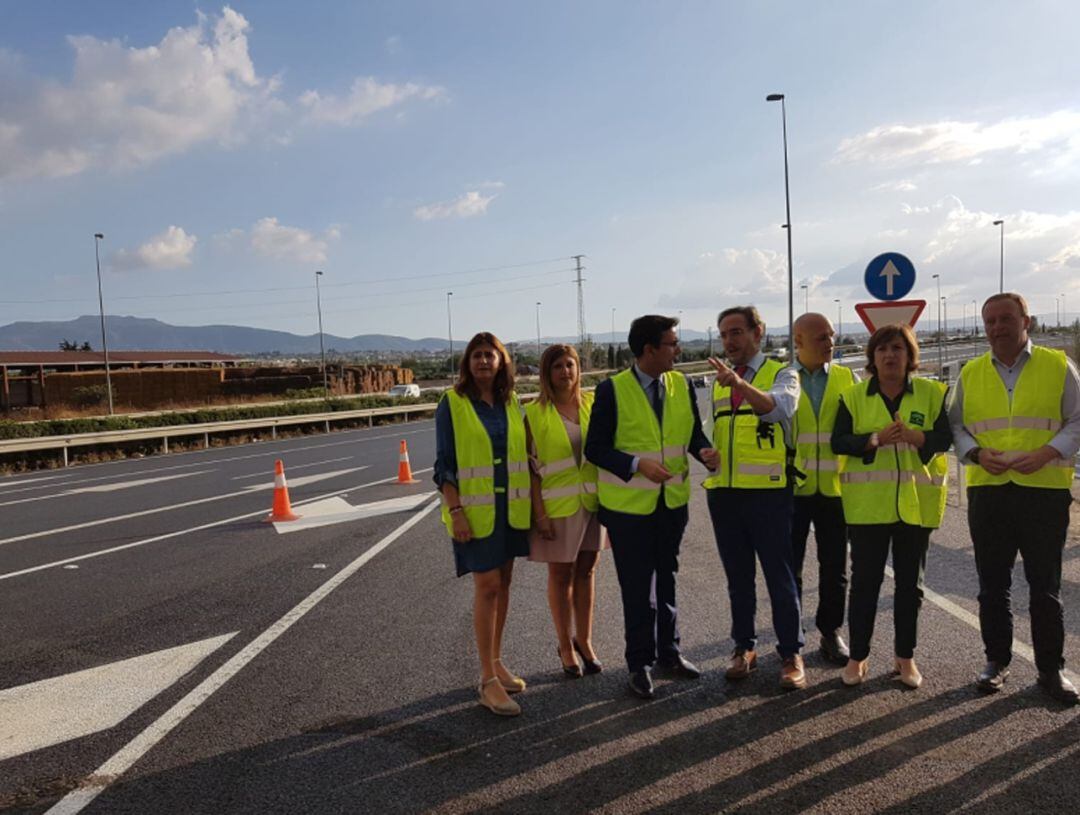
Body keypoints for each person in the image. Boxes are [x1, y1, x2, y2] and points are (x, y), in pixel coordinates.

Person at [949, 293, 1079, 704]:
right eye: (990, 321)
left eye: (1006, 319)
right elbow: (957, 426)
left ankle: (1051, 670)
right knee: (992, 585)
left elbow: (1078, 420)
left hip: (1043, 492)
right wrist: (976, 453)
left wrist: (1047, 453)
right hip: (989, 493)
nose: (997, 328)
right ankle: (996, 661)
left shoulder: (1059, 366)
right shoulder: (969, 372)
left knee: (1045, 587)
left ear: (1027, 321)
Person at [585, 315, 717, 699]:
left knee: (668, 578)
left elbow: (690, 433)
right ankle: (639, 663)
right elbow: (595, 449)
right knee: (637, 588)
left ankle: (669, 654)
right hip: (628, 509)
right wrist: (635, 464)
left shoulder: (680, 383)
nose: (678, 350)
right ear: (648, 350)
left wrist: (703, 451)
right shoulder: (612, 390)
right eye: (672, 344)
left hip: (672, 502)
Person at [831, 323, 951, 689]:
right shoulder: (853, 397)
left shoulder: (931, 393)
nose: (889, 355)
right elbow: (839, 442)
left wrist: (919, 438)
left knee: (909, 588)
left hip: (915, 506)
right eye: (882, 349)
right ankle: (859, 657)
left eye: (897, 348)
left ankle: (905, 658)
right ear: (872, 357)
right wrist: (874, 439)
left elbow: (946, 437)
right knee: (865, 584)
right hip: (868, 508)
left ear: (909, 355)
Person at [705, 305, 807, 689]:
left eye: (736, 332)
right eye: (724, 334)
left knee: (779, 577)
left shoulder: (782, 373)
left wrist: (741, 385)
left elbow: (778, 409)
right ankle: (743, 648)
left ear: (757, 332)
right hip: (725, 494)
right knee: (738, 579)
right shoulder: (718, 381)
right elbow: (715, 430)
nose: (729, 341)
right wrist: (708, 453)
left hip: (768, 494)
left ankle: (791, 653)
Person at [434, 332, 531, 717]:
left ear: (502, 361)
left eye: (490, 355)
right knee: (488, 585)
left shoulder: (509, 403)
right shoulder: (453, 403)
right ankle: (487, 681)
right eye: (477, 355)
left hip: (510, 509)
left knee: (504, 583)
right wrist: (456, 511)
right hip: (474, 513)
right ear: (467, 363)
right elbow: (444, 464)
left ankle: (496, 662)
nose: (484, 362)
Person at [525, 344, 608, 677]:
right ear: (547, 373)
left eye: (570, 364)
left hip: (593, 503)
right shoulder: (534, 413)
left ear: (578, 369)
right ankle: (564, 644)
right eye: (557, 366)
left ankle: (584, 640)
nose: (565, 371)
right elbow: (529, 470)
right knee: (560, 576)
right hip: (556, 506)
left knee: (587, 571)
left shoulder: (592, 404)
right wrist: (539, 514)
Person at [790, 312, 857, 665]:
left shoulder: (848, 378)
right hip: (794, 491)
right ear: (798, 341)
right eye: (821, 337)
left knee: (835, 568)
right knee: (791, 568)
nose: (830, 343)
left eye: (831, 336)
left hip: (836, 489)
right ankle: (792, 637)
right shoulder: (783, 379)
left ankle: (830, 632)